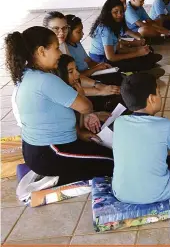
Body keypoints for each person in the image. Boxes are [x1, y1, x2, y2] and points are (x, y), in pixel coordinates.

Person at [6, 26, 114, 185]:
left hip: (39, 150)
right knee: (115, 162)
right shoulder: (45, 80)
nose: (60, 53)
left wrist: (79, 133)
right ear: (42, 51)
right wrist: (81, 94)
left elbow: (55, 115)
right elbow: (85, 106)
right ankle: (57, 178)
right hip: (52, 152)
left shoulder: (28, 75)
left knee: (107, 154)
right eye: (56, 48)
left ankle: (62, 173)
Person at [112, 73, 170, 204]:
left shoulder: (119, 122)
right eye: (158, 93)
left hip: (121, 193)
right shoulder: (164, 125)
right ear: (151, 99)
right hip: (158, 193)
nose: (160, 96)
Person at [89, 0, 163, 74]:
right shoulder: (106, 29)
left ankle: (148, 60)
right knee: (141, 62)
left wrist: (137, 49)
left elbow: (118, 49)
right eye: (115, 12)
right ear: (108, 13)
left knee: (147, 51)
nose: (119, 15)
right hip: (101, 59)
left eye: (121, 12)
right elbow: (111, 57)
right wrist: (137, 53)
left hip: (112, 55)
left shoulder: (116, 24)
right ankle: (147, 62)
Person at [65, 14, 123, 86]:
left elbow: (88, 60)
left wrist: (101, 66)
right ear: (68, 32)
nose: (82, 34)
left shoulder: (77, 43)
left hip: (89, 72)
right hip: (82, 79)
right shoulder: (67, 50)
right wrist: (96, 68)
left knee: (115, 73)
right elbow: (78, 76)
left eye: (82, 30)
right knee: (113, 80)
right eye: (79, 32)